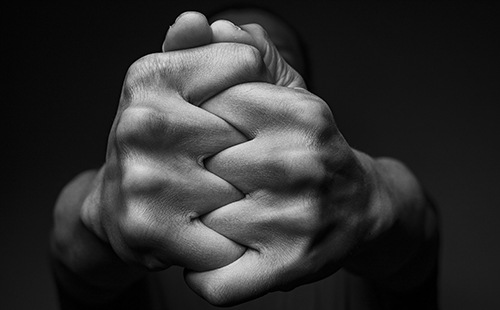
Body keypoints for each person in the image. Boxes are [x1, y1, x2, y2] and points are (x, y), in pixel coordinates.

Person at [50, 7, 439, 310]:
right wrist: (104, 206)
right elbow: (71, 249)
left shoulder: (345, 219)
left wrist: (368, 197)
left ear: (312, 101)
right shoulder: (141, 217)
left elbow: (416, 232)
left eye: (265, 58)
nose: (237, 69)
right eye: (211, 57)